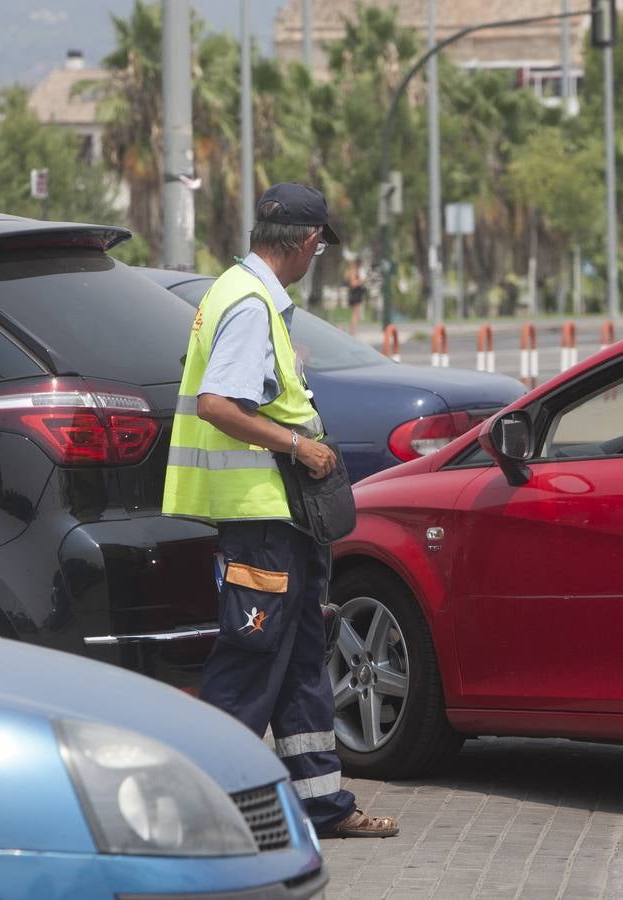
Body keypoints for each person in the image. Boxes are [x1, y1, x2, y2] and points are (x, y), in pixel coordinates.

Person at [162, 183, 398, 839]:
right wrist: (301, 444)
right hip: (262, 517)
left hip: (283, 519)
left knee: (298, 659)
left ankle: (323, 804)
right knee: (250, 658)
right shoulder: (248, 302)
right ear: (309, 242)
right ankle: (202, 812)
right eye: (321, 245)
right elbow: (218, 403)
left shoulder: (239, 292)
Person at [345, 257, 366, 336]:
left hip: (356, 293)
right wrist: (361, 280)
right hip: (355, 294)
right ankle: (353, 332)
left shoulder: (352, 271)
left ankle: (354, 331)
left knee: (356, 313)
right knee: (355, 314)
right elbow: (353, 284)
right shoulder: (353, 272)